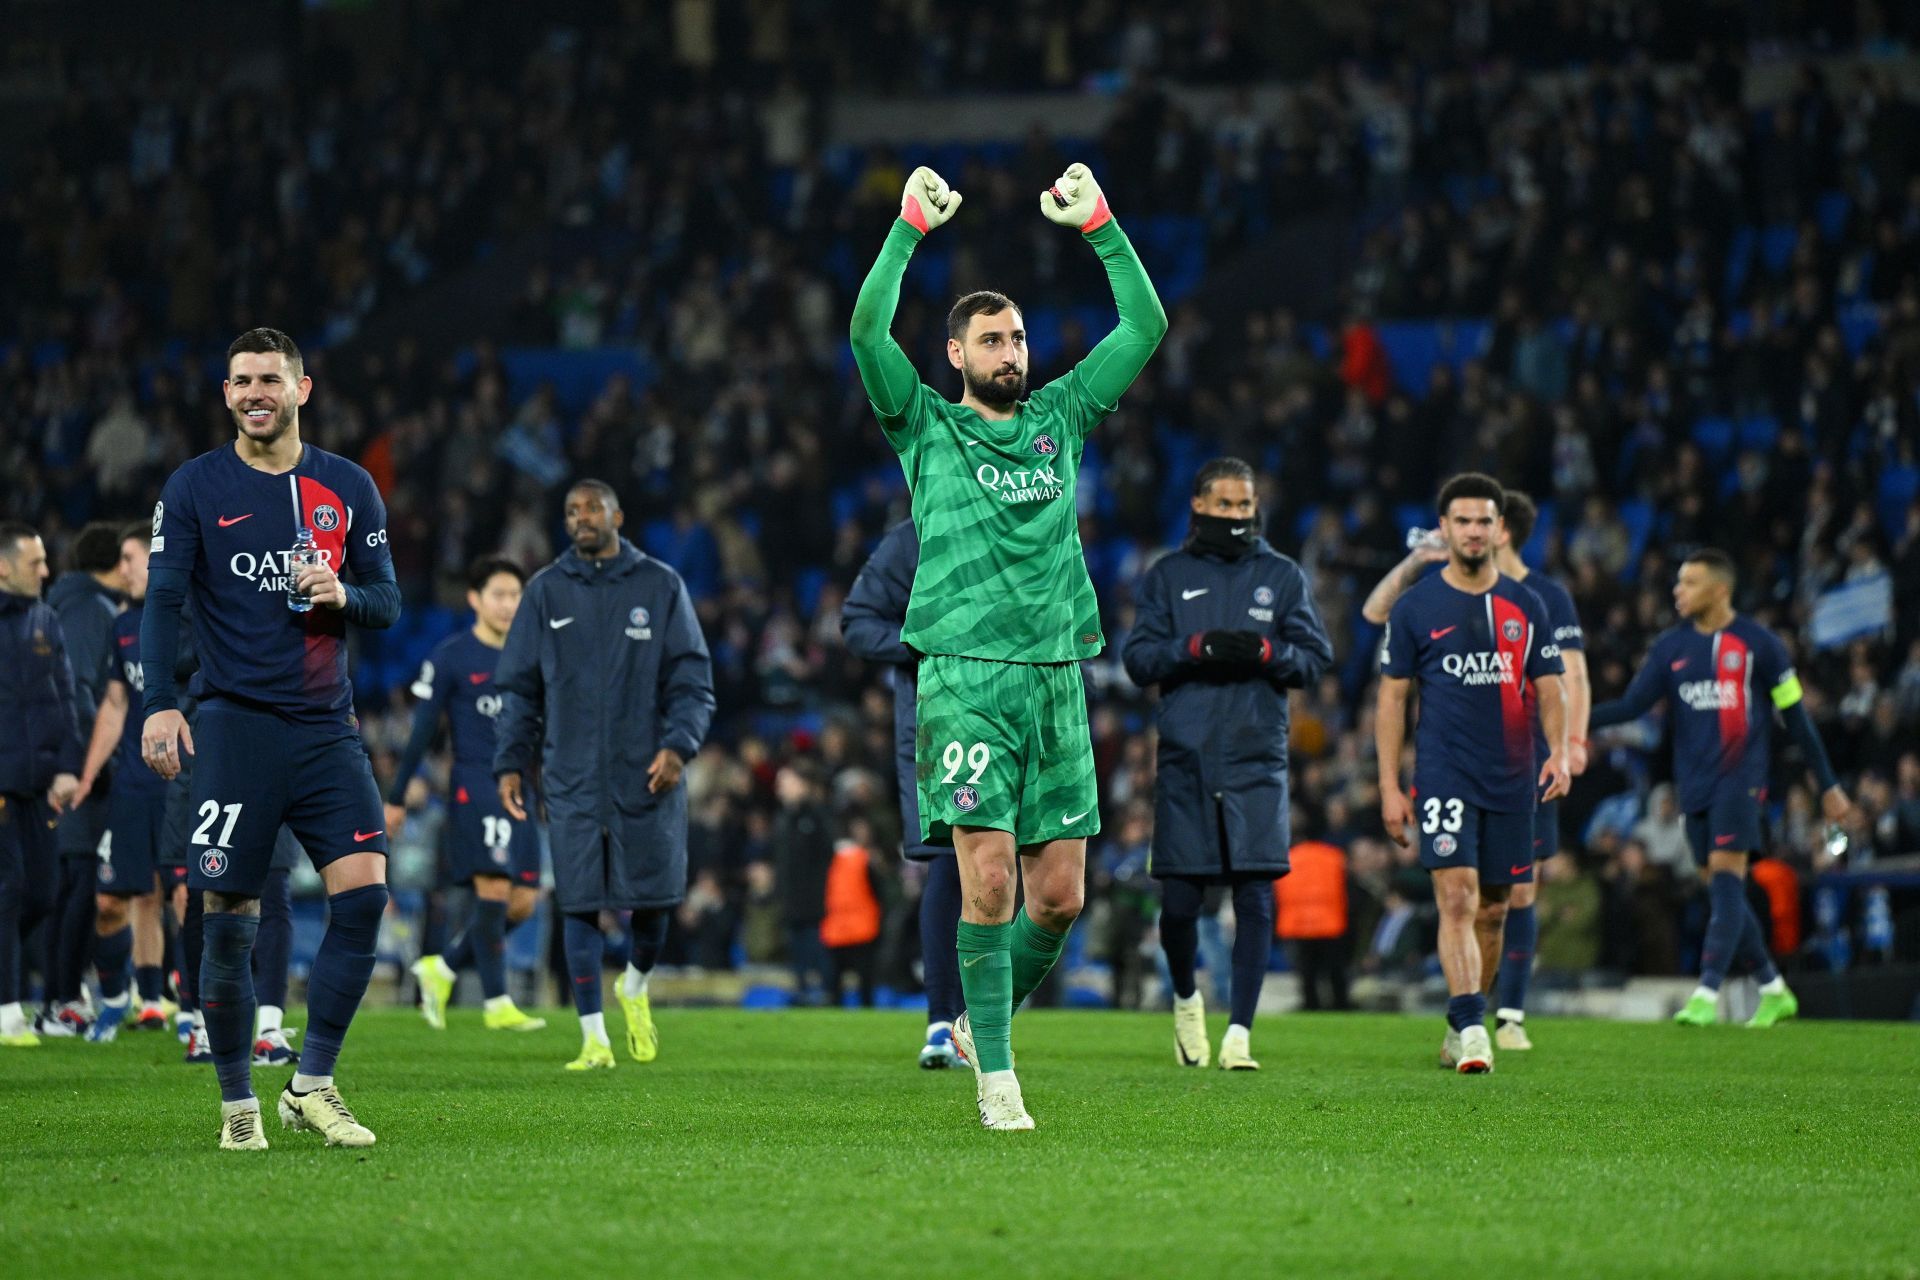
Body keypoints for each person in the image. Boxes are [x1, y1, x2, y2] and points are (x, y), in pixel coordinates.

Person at [849, 161, 1166, 1129]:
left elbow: (1145, 326)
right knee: (986, 880)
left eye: (1019, 335)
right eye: (991, 337)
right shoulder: (925, 425)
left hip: (1057, 674)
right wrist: (906, 229)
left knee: (1061, 896)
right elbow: (866, 328)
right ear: (954, 354)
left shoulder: (1061, 417)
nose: (1011, 348)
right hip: (964, 676)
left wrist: (1103, 225)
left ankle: (985, 1022)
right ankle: (996, 1077)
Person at [140, 327, 401, 1150]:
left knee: (364, 897)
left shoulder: (347, 486)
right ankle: (235, 1103)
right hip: (235, 725)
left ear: (302, 389)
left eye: (269, 380)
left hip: (327, 728)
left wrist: (342, 595)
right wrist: (159, 700)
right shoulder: (192, 487)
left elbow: (388, 601)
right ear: (226, 394)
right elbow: (162, 602)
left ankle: (312, 1082)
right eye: (241, 380)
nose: (255, 392)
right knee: (228, 916)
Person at [493, 480, 715, 1071]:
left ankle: (635, 986)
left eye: (592, 508)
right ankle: (593, 1037)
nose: (581, 518)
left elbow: (693, 680)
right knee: (579, 903)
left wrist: (678, 747)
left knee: (655, 902)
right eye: (570, 511)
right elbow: (518, 689)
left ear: (618, 513)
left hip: (648, 776)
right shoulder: (545, 592)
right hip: (571, 778)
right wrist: (511, 760)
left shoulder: (660, 585)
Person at [1121, 457, 1334, 1070]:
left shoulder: (1282, 576)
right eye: (1227, 506)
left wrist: (1267, 650)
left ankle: (1240, 1031)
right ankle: (1187, 1000)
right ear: (1199, 506)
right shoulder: (1169, 576)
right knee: (1182, 904)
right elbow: (1139, 660)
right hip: (1186, 762)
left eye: (1246, 507)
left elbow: (1314, 659)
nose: (1239, 517)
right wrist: (1193, 648)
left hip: (1255, 758)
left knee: (1256, 895)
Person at [1361, 489, 1589, 1050]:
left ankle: (1466, 1016)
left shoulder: (1529, 602)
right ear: (1444, 526)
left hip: (1513, 774)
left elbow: (1553, 685)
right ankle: (1472, 1028)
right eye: (1461, 521)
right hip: (1444, 773)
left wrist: (1560, 750)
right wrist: (1389, 786)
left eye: (1482, 521)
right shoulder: (1416, 606)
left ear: (1499, 528)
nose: (1472, 531)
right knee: (1457, 898)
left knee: (1495, 910)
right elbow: (1391, 700)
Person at [1589, 548, 1851, 1028]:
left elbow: (1797, 721)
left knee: (1728, 884)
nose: (1677, 590)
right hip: (1695, 788)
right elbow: (1630, 707)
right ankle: (1774, 988)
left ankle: (1706, 992)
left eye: (1689, 582)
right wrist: (1568, 723)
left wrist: (1828, 785)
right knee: (1721, 892)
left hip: (1742, 783)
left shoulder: (1761, 646)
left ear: (1720, 589)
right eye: (1678, 582)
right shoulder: (1670, 648)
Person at [392, 557, 546, 1033]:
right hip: (476, 782)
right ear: (476, 599)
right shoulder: (452, 656)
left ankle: (444, 965)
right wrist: (396, 796)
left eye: (515, 595)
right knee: (494, 889)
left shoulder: (533, 655)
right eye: (499, 594)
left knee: (524, 901)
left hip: (522, 786)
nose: (508, 604)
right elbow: (421, 732)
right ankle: (497, 1001)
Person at [840, 518, 964, 1065]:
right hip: (941, 722)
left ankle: (980, 1018)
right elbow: (858, 622)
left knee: (1017, 870)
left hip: (1018, 714)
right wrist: (923, 643)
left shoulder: (1024, 512)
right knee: (951, 862)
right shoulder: (916, 535)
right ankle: (944, 1021)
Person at [73, 525, 175, 1040]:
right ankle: (129, 998)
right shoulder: (123, 626)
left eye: (131, 559)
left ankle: (190, 1009)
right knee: (119, 898)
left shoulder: (191, 618)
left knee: (184, 896)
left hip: (184, 784)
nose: (124, 569)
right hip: (133, 785)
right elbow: (115, 704)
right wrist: (90, 773)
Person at [42, 520, 130, 1036]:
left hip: (75, 763)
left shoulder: (77, 603)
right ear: (114, 563)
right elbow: (75, 687)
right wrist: (84, 766)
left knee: (74, 883)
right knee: (76, 884)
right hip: (78, 769)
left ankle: (64, 996)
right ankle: (61, 1000)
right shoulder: (88, 609)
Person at [0, 522, 85, 1047]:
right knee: (8, 889)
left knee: (43, 892)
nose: (47, 570)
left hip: (39, 785)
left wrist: (68, 765)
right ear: (4, 566)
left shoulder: (45, 620)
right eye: (35, 562)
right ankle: (8, 1008)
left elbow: (67, 700)